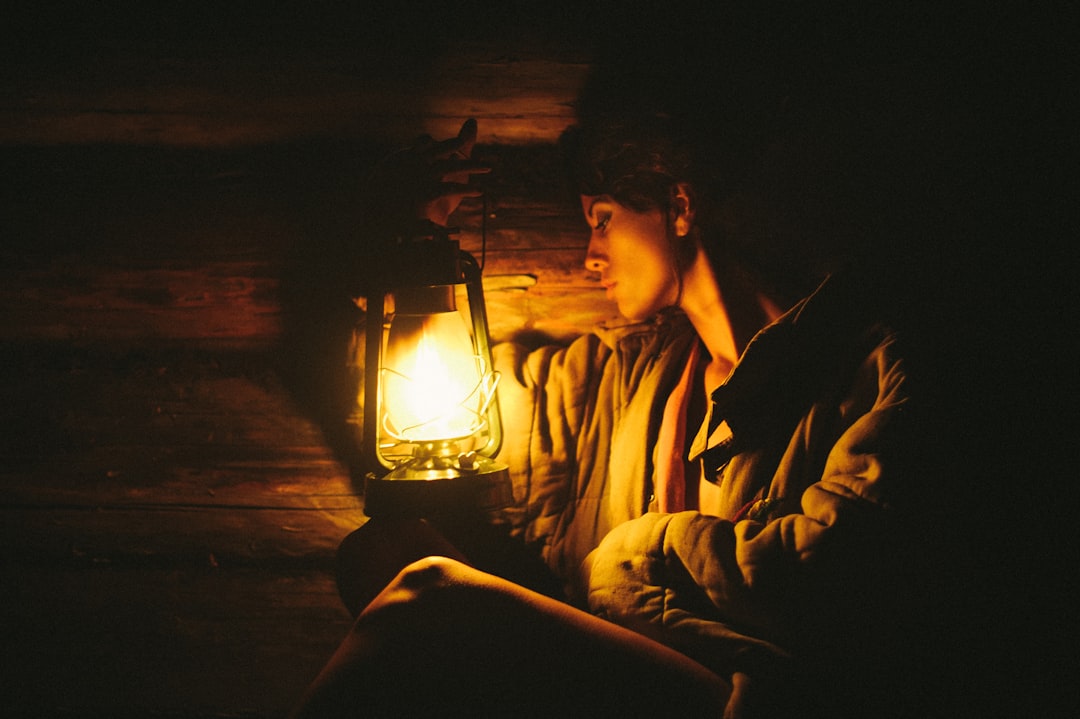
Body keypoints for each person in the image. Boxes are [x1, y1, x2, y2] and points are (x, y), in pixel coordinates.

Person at [292, 27, 949, 718]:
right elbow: (413, 404)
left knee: (429, 596)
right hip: (624, 689)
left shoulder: (866, 364)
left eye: (603, 219)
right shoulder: (620, 381)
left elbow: (842, 580)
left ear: (681, 205)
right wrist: (405, 250)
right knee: (382, 555)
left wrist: (637, 555)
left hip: (751, 696)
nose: (589, 256)